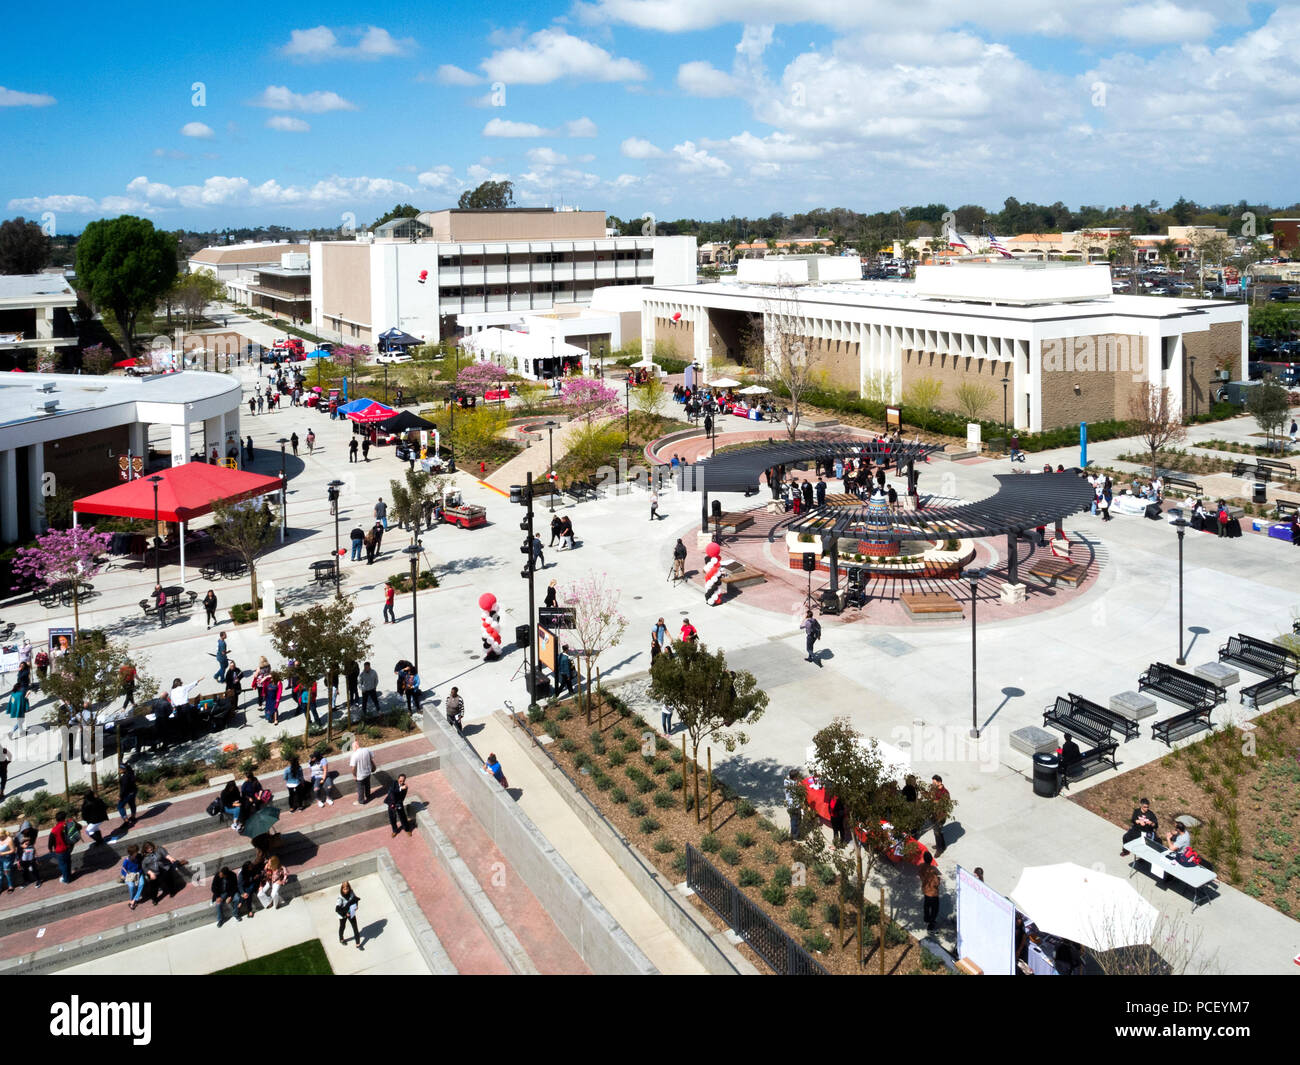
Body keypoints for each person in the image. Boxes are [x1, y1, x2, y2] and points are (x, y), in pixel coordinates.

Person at [48, 810, 76, 884]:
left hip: (60, 850)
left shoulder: (55, 829)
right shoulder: (68, 824)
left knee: (63, 865)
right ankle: (69, 875)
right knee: (68, 862)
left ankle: (66, 879)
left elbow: (51, 840)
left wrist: (50, 848)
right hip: (69, 847)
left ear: (57, 819)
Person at [119, 844, 146, 910]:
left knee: (141, 884)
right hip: (131, 875)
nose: (137, 852)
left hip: (139, 873)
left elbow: (144, 857)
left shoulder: (139, 856)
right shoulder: (127, 860)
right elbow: (123, 869)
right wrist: (127, 875)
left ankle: (133, 900)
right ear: (132, 853)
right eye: (136, 852)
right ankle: (133, 899)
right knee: (131, 886)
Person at [350, 738, 376, 805]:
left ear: (355, 746)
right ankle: (368, 796)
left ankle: (361, 801)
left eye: (352, 747)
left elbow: (353, 768)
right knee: (367, 785)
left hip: (360, 775)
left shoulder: (354, 755)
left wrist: (354, 775)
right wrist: (373, 767)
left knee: (360, 788)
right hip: (368, 772)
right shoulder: (367, 750)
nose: (352, 749)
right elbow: (371, 759)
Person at [920, 852, 941, 932]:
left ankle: (926, 918)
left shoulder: (922, 867)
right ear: (931, 859)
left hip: (926, 890)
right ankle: (931, 925)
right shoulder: (932, 870)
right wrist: (938, 879)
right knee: (934, 909)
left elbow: (920, 875)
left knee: (926, 905)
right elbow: (936, 883)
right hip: (933, 893)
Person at [337, 880, 362, 946]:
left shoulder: (351, 892)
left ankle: (358, 943)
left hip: (351, 912)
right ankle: (341, 939)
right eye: (344, 889)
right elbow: (337, 909)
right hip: (342, 914)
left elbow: (355, 899)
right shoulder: (340, 898)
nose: (346, 891)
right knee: (342, 926)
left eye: (347, 889)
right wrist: (345, 914)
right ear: (342, 889)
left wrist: (356, 905)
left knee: (355, 927)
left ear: (349, 888)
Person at [930, 775, 950, 856]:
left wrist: (935, 801)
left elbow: (946, 804)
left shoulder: (945, 792)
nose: (933, 784)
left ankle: (939, 849)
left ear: (940, 782)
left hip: (940, 816)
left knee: (937, 832)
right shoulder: (935, 790)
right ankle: (942, 845)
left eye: (934, 782)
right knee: (938, 832)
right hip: (934, 814)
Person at [785, 770, 804, 840]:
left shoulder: (786, 781)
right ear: (795, 777)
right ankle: (796, 836)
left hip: (789, 805)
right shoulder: (794, 786)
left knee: (793, 819)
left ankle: (793, 833)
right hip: (795, 805)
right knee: (796, 821)